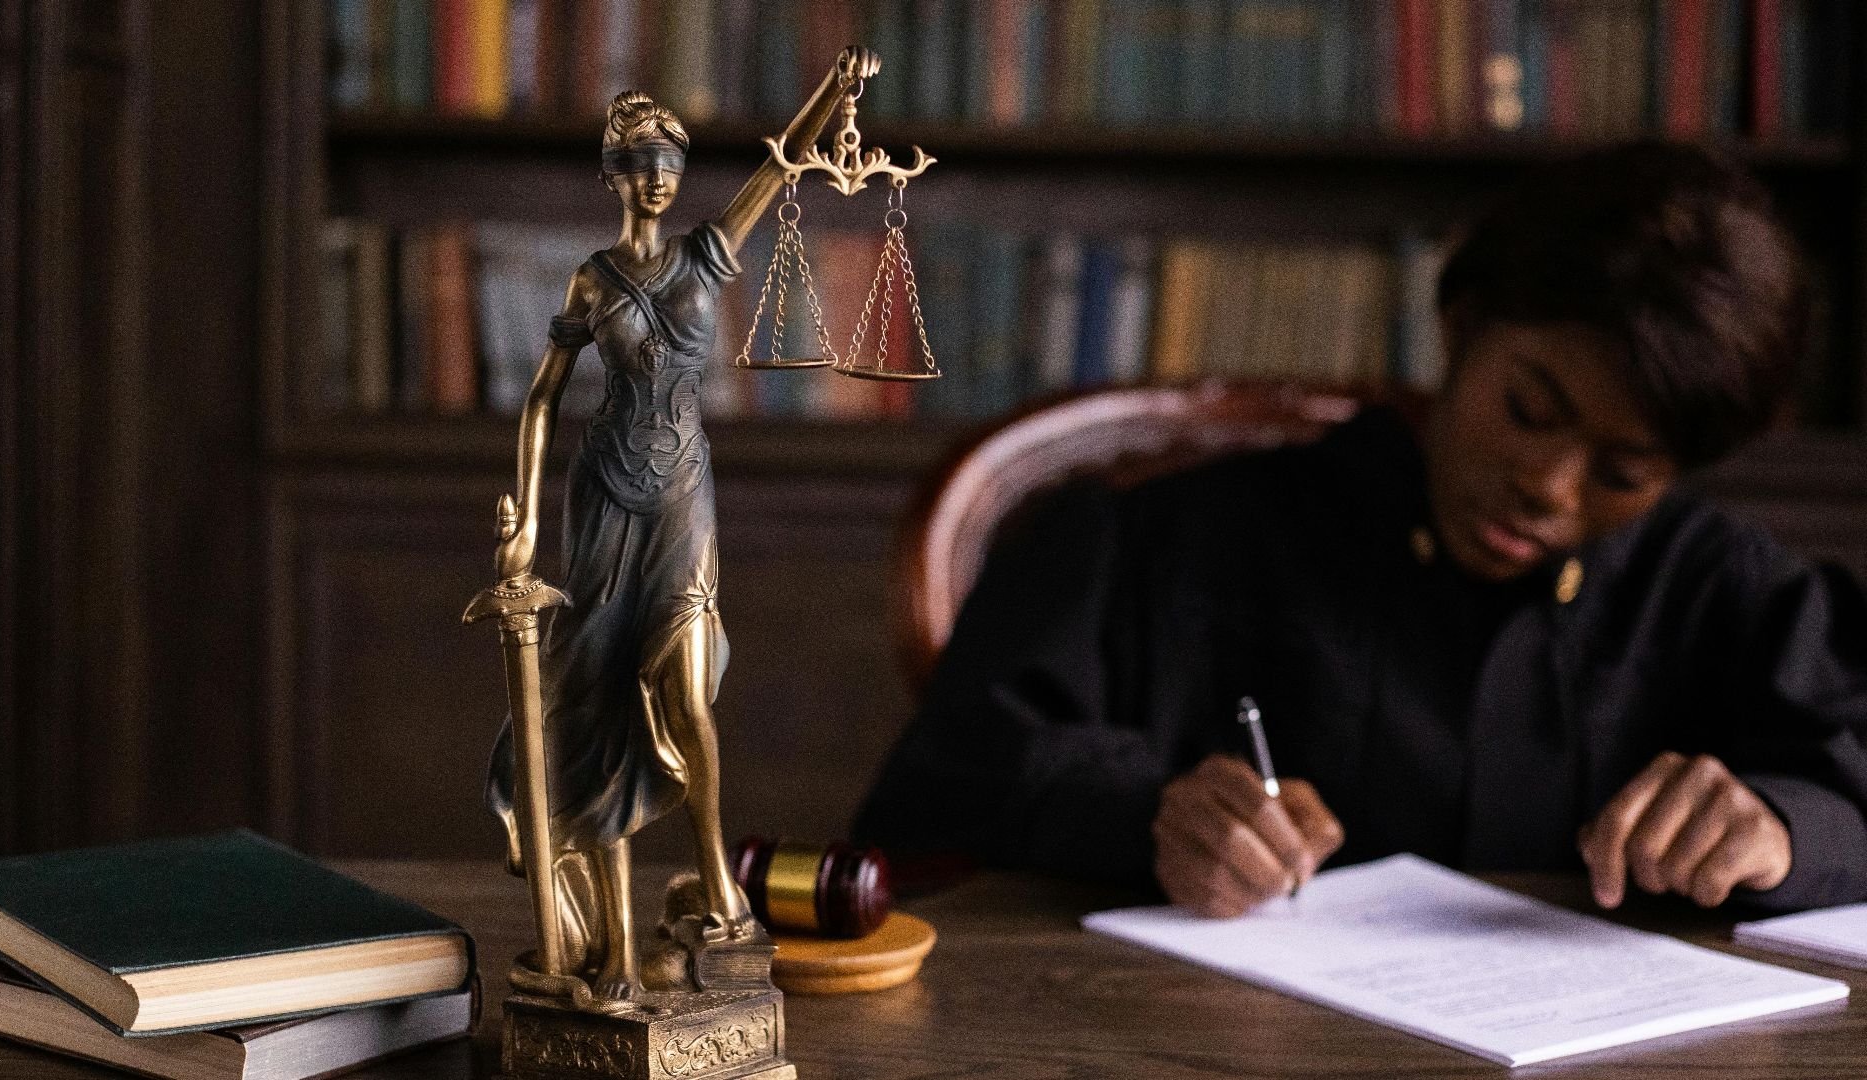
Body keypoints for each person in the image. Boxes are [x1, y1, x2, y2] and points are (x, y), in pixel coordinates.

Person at [854, 142, 1867, 918]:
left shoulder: (1729, 593)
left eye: (1623, 472)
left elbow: (1845, 784)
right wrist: (1151, 814)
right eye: (1529, 410)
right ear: (1463, 328)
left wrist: (1781, 828)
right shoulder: (1171, 539)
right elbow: (936, 792)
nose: (1548, 489)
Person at [485, 49, 879, 1000]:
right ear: (613, 176)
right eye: (639, 163)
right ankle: (617, 944)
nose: (657, 177)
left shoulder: (710, 251)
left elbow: (784, 163)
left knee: (689, 693)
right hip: (603, 503)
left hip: (683, 498)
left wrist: (838, 89)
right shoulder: (591, 280)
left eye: (670, 161)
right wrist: (526, 525)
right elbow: (543, 399)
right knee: (603, 707)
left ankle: (714, 880)